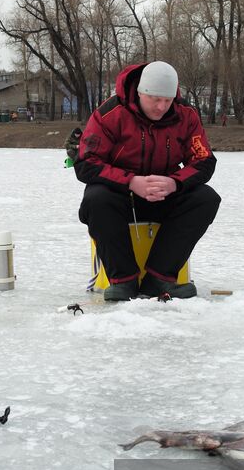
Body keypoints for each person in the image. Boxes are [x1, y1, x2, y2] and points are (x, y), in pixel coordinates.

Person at [75, 61, 218, 302]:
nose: (162, 107)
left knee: (206, 198)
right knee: (96, 198)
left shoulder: (186, 115)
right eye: (155, 99)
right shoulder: (110, 114)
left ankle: (159, 278)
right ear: (141, 92)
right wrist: (131, 182)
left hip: (164, 195)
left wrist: (175, 183)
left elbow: (204, 161)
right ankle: (123, 281)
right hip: (121, 196)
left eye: (168, 100)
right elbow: (85, 163)